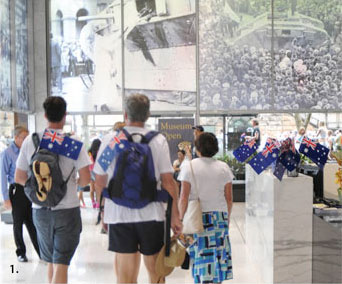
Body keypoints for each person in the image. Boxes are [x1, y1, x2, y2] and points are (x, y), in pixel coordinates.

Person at [94, 94, 182, 283]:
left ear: (125, 114)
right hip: (152, 214)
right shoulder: (157, 140)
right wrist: (175, 215)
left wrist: (103, 212)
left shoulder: (112, 139)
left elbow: (99, 181)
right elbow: (168, 181)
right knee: (156, 271)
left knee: (126, 275)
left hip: (118, 214)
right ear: (148, 114)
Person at [14, 96, 91, 284]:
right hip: (67, 209)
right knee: (62, 263)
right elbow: (86, 179)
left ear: (45, 115)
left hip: (40, 210)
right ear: (65, 116)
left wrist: (38, 191)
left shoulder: (32, 141)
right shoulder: (72, 143)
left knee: (50, 261)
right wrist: (72, 183)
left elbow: (19, 177)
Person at [178, 132, 234, 284]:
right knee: (218, 257)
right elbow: (229, 199)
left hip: (198, 218)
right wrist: (226, 220)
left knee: (202, 258)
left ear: (198, 148)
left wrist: (180, 220)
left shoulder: (189, 167)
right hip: (220, 218)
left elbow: (183, 197)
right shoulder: (223, 167)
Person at [0, 126, 40, 262]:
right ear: (16, 138)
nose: (26, 140)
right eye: (24, 137)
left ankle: (40, 250)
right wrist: (5, 198)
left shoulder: (29, 151)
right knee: (18, 223)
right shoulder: (7, 153)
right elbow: (3, 176)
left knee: (32, 222)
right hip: (17, 190)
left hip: (29, 188)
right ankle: (20, 252)